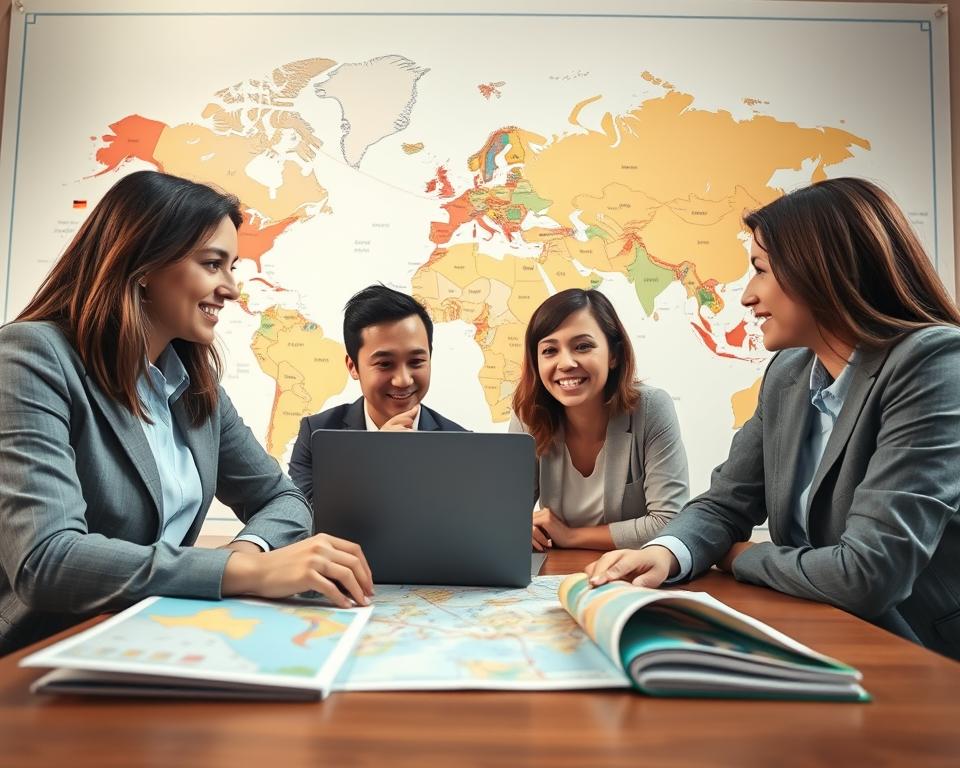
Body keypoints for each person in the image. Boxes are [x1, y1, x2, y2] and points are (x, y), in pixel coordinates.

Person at [0, 171, 373, 656]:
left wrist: (245, 554)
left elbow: (283, 500)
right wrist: (246, 573)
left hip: (157, 644)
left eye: (231, 266)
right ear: (142, 264)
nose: (232, 288)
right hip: (39, 656)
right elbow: (48, 561)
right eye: (213, 264)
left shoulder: (195, 387)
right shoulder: (31, 356)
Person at [586, 177, 960, 661]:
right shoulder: (788, 373)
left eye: (760, 269)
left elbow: (868, 574)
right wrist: (666, 553)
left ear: (821, 270)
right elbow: (726, 504)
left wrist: (742, 556)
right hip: (816, 632)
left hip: (917, 656)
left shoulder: (933, 362)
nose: (746, 296)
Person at [509, 288, 689, 553]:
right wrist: (518, 527)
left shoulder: (651, 409)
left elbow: (670, 522)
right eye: (550, 350)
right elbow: (505, 515)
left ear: (614, 354)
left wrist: (571, 537)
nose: (566, 363)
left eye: (583, 346)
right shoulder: (529, 413)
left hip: (631, 573)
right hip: (555, 573)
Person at [288, 284, 466, 502]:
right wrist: (377, 461)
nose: (403, 380)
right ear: (353, 366)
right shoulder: (318, 436)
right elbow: (307, 518)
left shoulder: (463, 444)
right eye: (385, 364)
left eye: (416, 361)